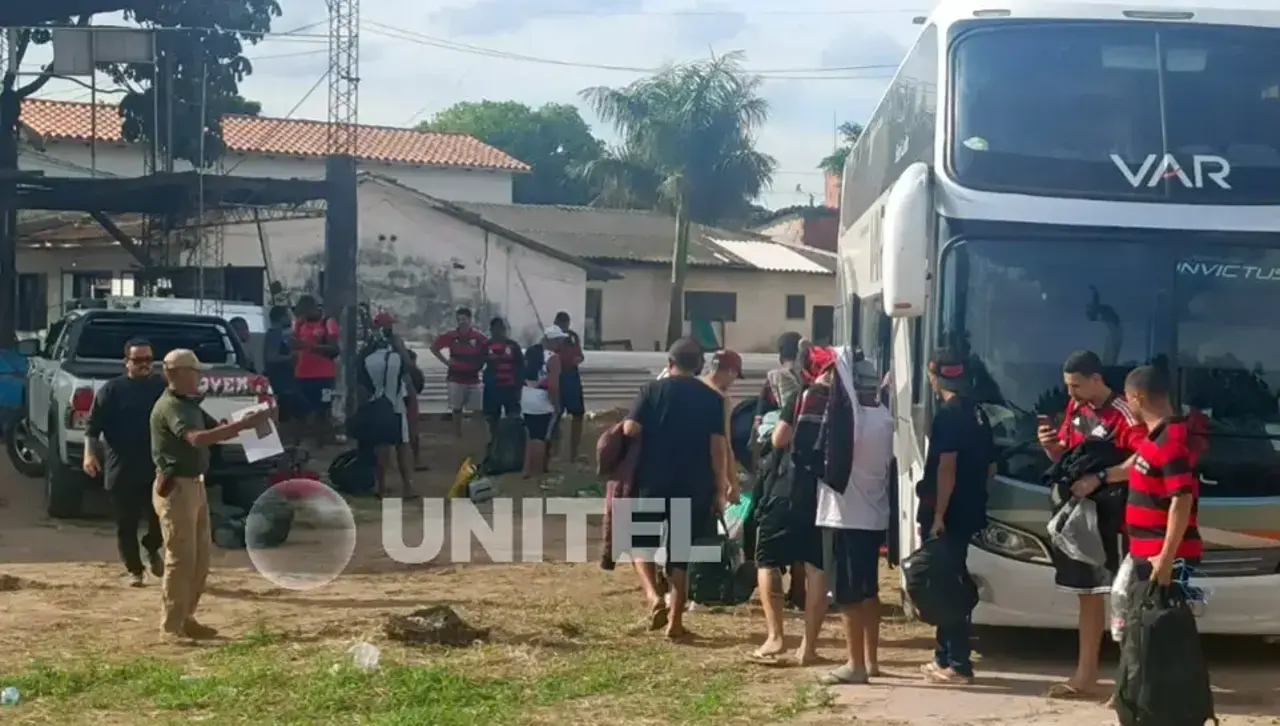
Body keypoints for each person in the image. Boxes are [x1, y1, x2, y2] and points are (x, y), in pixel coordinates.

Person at [1037, 350, 1145, 700]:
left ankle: (1127, 682)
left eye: (1076, 386)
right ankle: (1085, 675)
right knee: (1089, 595)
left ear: (1097, 379)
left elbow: (1145, 461)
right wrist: (1052, 449)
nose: (1071, 394)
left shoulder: (1125, 413)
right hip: (1083, 517)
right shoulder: (1077, 409)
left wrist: (1101, 477)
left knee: (1123, 597)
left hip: (1119, 518)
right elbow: (1071, 455)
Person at [150, 349, 274, 641]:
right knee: (180, 558)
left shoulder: (189, 404)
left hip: (194, 485)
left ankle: (187, 616)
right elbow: (198, 439)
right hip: (176, 487)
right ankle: (171, 626)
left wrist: (255, 422)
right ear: (178, 374)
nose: (200, 377)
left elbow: (215, 431)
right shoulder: (172, 407)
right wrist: (244, 425)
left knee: (199, 558)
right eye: (194, 372)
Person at [622, 337, 731, 641]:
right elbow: (717, 447)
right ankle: (675, 622)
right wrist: (720, 487)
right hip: (693, 483)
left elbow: (631, 429)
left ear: (669, 362)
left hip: (652, 480)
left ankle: (653, 596)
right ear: (698, 366)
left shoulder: (651, 390)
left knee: (639, 544)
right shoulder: (711, 398)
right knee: (680, 553)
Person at [813, 355, 895, 684]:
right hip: (873, 517)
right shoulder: (885, 419)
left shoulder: (855, 423)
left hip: (844, 517)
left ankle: (855, 664)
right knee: (868, 591)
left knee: (847, 595)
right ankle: (871, 660)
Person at [916, 348, 995, 685]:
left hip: (948, 513)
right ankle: (944, 656)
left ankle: (958, 663)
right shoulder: (978, 413)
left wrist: (939, 515)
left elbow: (946, 468)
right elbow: (991, 467)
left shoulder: (947, 415)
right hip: (971, 509)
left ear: (934, 376)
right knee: (949, 581)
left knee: (945, 586)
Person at [750, 353, 829, 665]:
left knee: (767, 559)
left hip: (789, 488)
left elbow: (780, 438)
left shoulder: (802, 396)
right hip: (826, 495)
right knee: (817, 568)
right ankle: (808, 648)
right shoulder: (847, 402)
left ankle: (775, 637)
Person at [83, 338, 167, 587]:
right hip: (122, 468)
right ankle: (135, 570)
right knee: (126, 524)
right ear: (126, 362)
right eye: (138, 360)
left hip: (156, 468)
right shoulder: (112, 390)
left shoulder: (162, 388)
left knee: (160, 520)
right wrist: (89, 454)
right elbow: (92, 426)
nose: (144, 365)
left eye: (148, 360)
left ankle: (152, 547)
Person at [1121, 365, 1203, 581]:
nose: (1128, 406)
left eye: (1128, 399)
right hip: (1148, 553)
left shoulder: (1170, 442)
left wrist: (1166, 559)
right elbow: (1130, 470)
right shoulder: (1155, 439)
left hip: (1163, 559)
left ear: (1137, 398)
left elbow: (1182, 499)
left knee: (1163, 615)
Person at [752, 332, 808, 609]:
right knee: (802, 533)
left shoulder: (774, 377)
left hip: (778, 460)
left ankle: (774, 600)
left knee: (769, 535)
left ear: (780, 353)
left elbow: (760, 418)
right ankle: (799, 591)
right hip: (806, 460)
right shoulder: (811, 380)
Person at [357, 313, 418, 499]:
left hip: (376, 405)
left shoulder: (366, 355)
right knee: (402, 447)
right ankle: (408, 488)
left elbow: (361, 386)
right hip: (397, 405)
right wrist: (401, 349)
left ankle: (381, 488)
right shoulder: (397, 356)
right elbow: (412, 374)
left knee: (381, 448)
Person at [430, 307, 488, 440]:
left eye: (464, 319)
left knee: (478, 409)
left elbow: (487, 351)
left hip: (473, 378)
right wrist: (446, 362)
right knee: (456, 408)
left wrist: (480, 365)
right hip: (455, 377)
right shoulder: (451, 336)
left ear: (470, 320)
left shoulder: (478, 337)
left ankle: (475, 434)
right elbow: (434, 347)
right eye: (459, 320)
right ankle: (457, 433)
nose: (462, 322)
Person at [291, 295, 340, 447]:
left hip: (324, 376)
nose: (302, 316)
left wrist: (310, 347)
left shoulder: (328, 323)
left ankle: (321, 444)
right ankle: (296, 444)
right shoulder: (299, 324)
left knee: (322, 412)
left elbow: (334, 349)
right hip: (302, 375)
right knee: (299, 412)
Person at [520, 326, 564, 478]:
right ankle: (537, 472)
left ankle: (527, 469)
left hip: (526, 396)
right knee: (540, 437)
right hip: (542, 399)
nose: (561, 344)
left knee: (531, 435)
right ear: (554, 341)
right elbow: (553, 385)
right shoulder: (553, 358)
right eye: (559, 340)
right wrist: (556, 404)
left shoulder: (531, 353)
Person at [703, 349, 744, 507]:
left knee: (675, 530)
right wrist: (732, 484)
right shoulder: (720, 398)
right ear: (731, 371)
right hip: (705, 475)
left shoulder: (693, 386)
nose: (733, 381)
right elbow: (724, 444)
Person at [483, 317, 524, 441]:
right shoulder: (486, 346)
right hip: (493, 388)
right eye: (495, 329)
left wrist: (519, 386)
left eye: (501, 328)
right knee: (492, 417)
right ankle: (494, 440)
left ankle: (511, 441)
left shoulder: (513, 346)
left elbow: (521, 366)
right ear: (491, 330)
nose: (498, 331)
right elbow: (478, 362)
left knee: (513, 416)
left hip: (510, 388)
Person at [553, 311, 587, 462]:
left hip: (572, 377)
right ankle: (554, 451)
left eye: (566, 324)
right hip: (557, 376)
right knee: (555, 415)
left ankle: (574, 452)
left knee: (578, 414)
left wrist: (577, 359)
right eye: (561, 324)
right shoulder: (551, 337)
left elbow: (580, 355)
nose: (564, 327)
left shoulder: (573, 336)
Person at [262, 306, 297, 439]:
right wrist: (291, 357)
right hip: (279, 381)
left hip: (281, 380)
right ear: (281, 317)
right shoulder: (275, 334)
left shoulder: (279, 334)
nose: (290, 319)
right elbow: (271, 357)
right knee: (285, 416)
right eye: (288, 315)